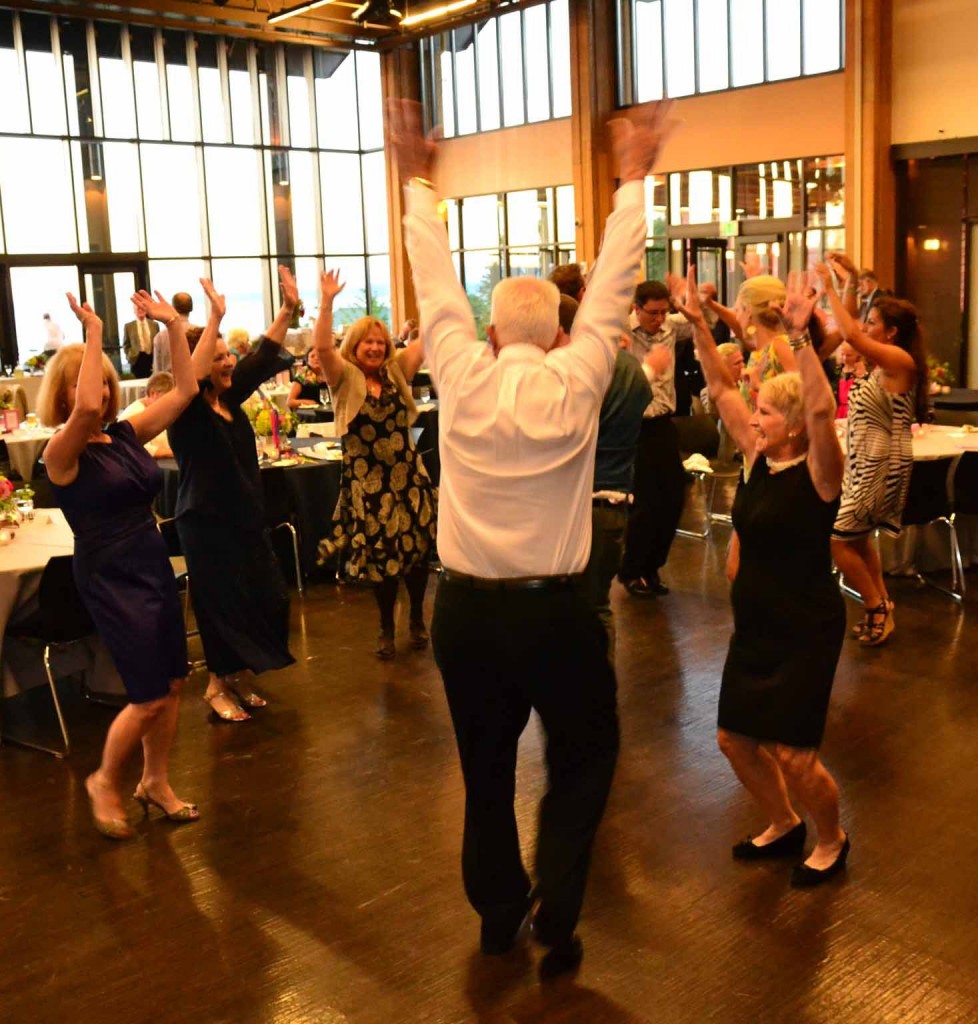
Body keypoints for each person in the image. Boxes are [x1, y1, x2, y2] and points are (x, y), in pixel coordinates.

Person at [389, 96, 673, 978]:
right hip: (556, 617)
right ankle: (557, 902)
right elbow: (618, 285)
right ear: (557, 331)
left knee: (482, 773)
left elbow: (434, 284)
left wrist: (416, 178)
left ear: (486, 332)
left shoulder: (460, 376)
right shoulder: (579, 375)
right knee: (586, 757)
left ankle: (499, 914)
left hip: (466, 617)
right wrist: (633, 181)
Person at [677, 266, 850, 888]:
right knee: (733, 738)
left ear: (796, 426)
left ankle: (831, 837)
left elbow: (825, 408)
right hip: (756, 624)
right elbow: (722, 387)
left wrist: (802, 339)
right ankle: (784, 821)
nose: (753, 422)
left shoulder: (820, 471)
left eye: (767, 417)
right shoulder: (756, 458)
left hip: (806, 626)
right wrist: (700, 325)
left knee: (794, 753)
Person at [38, 290, 200, 839]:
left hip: (150, 561)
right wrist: (92, 332)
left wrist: (175, 325)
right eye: (92, 381)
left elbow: (185, 389)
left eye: (109, 381)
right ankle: (105, 779)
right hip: (110, 574)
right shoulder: (60, 454)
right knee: (149, 693)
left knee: (174, 683)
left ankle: (155, 781)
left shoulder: (127, 436)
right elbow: (84, 412)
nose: (103, 392)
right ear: (61, 396)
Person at [168, 270, 296, 722]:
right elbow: (195, 370)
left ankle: (237, 673)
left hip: (243, 518)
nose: (227, 363)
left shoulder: (229, 398)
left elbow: (261, 358)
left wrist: (287, 309)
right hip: (205, 523)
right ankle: (216, 684)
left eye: (227, 355)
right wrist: (214, 317)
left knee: (267, 596)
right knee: (221, 605)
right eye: (218, 356)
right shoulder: (186, 411)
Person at [314, 270, 435, 659]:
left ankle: (417, 617)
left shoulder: (397, 373)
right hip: (369, 485)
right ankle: (386, 625)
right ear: (355, 346)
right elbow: (322, 346)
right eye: (368, 341)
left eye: (381, 342)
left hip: (409, 479)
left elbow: (424, 338)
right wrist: (328, 301)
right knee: (383, 560)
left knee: (416, 553)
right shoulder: (345, 377)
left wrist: (433, 293)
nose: (375, 347)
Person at [817, 257, 927, 646]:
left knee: (838, 540)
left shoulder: (900, 361)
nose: (866, 328)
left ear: (892, 332)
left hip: (881, 466)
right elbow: (852, 327)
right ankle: (882, 604)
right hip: (864, 463)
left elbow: (849, 333)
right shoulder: (883, 365)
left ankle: (875, 604)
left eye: (874, 323)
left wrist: (829, 287)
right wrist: (844, 283)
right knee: (858, 540)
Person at [558, 295, 651, 658]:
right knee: (597, 603)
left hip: (577, 500)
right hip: (614, 498)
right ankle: (598, 689)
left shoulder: (576, 371)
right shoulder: (630, 367)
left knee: (569, 605)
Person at [617, 279, 695, 597]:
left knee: (674, 498)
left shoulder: (671, 327)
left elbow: (703, 322)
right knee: (646, 503)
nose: (659, 319)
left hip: (664, 422)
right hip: (635, 425)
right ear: (637, 308)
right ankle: (632, 571)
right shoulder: (620, 330)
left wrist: (690, 298)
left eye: (664, 312)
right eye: (653, 313)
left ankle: (653, 567)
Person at [118, 371, 176, 457]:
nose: (170, 404)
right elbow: (141, 449)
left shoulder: (160, 412)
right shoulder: (133, 414)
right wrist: (172, 453)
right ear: (153, 393)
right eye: (167, 399)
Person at [152, 292, 194, 374]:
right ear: (191, 308)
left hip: (169, 384)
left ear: (173, 307)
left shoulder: (160, 337)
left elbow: (157, 370)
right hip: (196, 383)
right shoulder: (201, 333)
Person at [123, 302, 159, 378]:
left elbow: (158, 342)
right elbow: (126, 345)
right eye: (138, 308)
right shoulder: (129, 326)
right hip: (136, 359)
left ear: (146, 310)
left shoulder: (154, 325)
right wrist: (129, 356)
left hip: (152, 358)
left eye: (142, 308)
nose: (140, 310)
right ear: (134, 311)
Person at [834, 341, 867, 420]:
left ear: (858, 355)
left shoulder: (862, 372)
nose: (845, 358)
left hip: (855, 411)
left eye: (849, 355)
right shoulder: (838, 370)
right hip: (840, 411)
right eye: (842, 354)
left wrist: (862, 375)